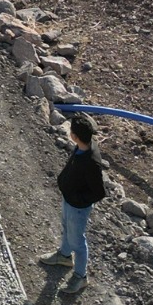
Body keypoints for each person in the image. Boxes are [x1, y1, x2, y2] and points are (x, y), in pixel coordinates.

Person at [38, 114, 106, 295]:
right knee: (66, 229)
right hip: (69, 201)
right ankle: (64, 256)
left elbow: (99, 192)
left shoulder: (91, 162)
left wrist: (78, 199)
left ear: (75, 136)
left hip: (77, 208)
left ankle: (80, 276)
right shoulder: (82, 147)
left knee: (78, 241)